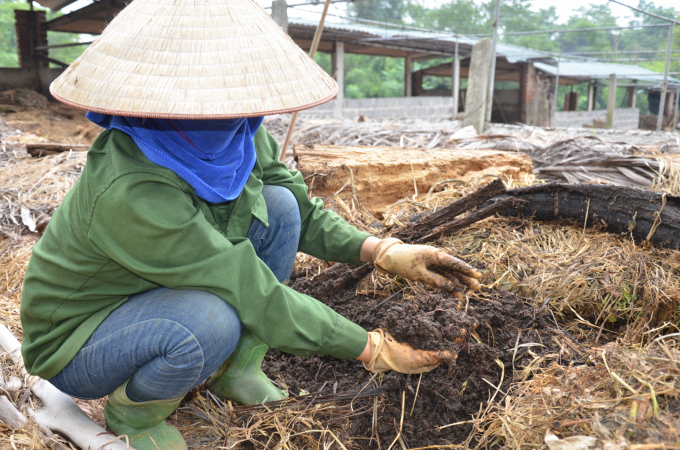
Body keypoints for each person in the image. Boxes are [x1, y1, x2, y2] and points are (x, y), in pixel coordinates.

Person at [19, 1, 483, 449]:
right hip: (83, 336)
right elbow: (245, 286)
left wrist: (380, 250)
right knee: (210, 320)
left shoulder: (235, 130)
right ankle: (135, 413)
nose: (225, 113)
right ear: (157, 96)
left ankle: (239, 369)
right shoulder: (133, 191)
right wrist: (370, 349)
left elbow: (297, 210)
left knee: (277, 205)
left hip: (163, 285)